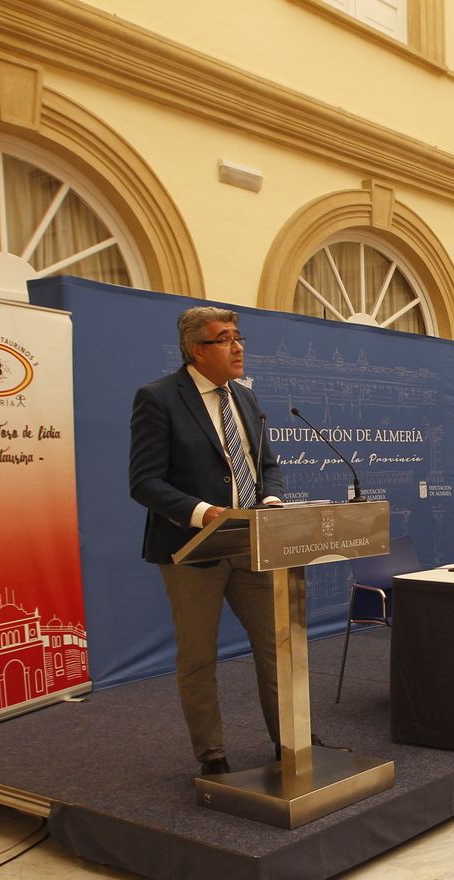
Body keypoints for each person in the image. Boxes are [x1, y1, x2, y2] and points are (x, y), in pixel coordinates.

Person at [129, 306, 283, 776]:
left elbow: (266, 464)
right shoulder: (158, 398)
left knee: (277, 645)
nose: (238, 348)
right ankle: (212, 753)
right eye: (225, 339)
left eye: (238, 337)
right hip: (191, 549)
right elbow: (144, 482)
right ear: (197, 349)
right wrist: (204, 513)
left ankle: (290, 737)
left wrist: (272, 499)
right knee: (199, 657)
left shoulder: (245, 398)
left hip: (250, 542)